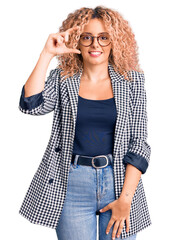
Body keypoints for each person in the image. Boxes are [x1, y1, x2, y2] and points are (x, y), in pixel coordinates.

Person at [18, 6, 151, 240]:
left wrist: (125, 200)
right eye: (87, 37)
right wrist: (47, 54)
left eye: (103, 37)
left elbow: (139, 144)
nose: (95, 45)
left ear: (115, 41)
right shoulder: (62, 78)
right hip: (72, 185)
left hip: (119, 183)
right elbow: (32, 105)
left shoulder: (132, 81)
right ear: (76, 41)